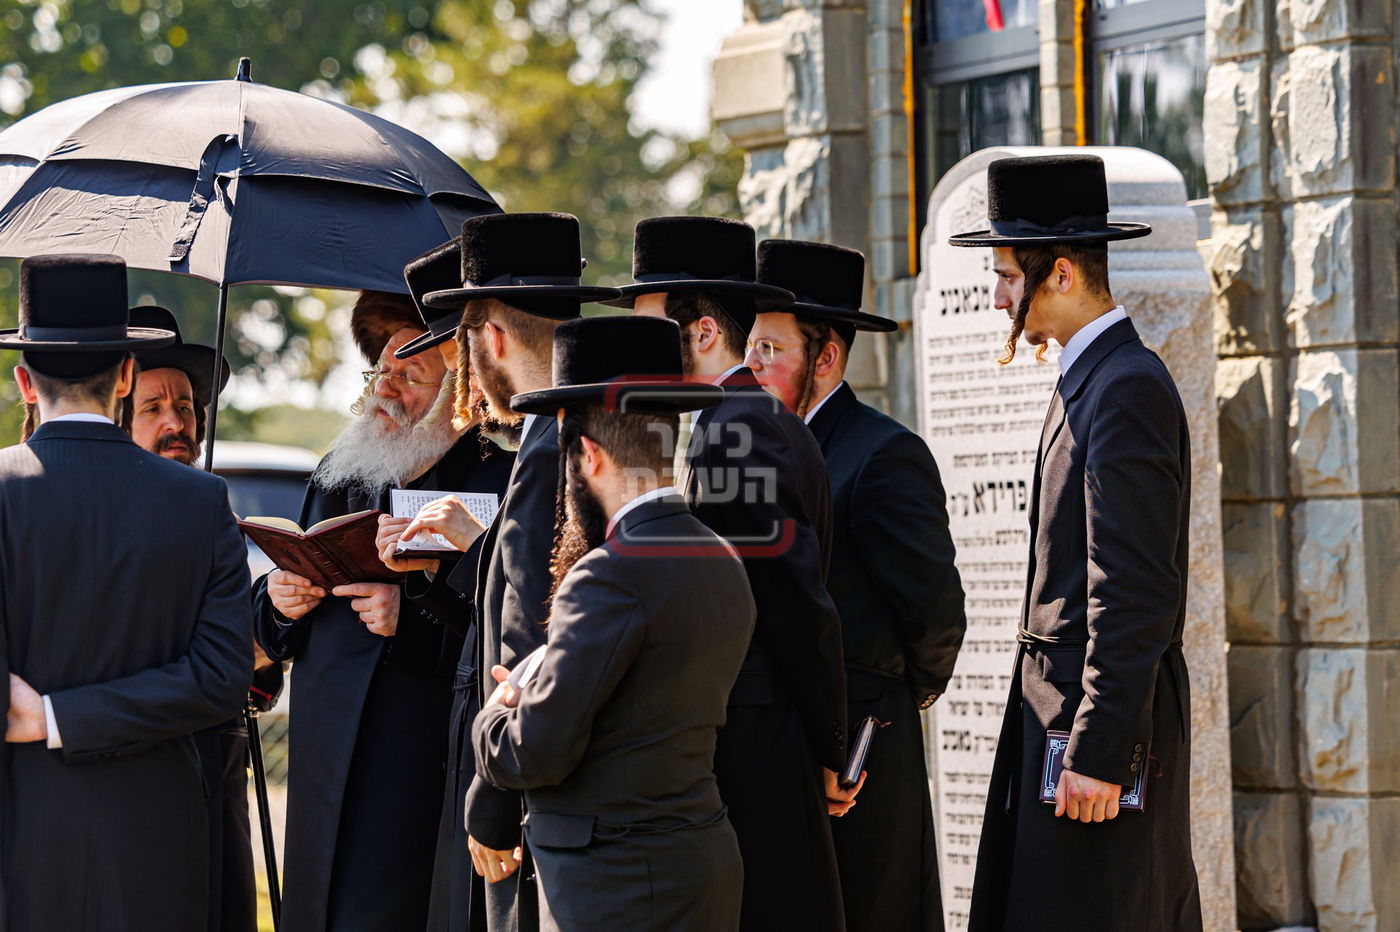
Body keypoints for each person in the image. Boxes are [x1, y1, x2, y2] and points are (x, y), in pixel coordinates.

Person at [948, 154, 1202, 931]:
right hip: (1060, 718)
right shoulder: (1089, 378)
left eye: (1006, 276)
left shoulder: (1125, 387)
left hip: (1089, 737)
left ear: (1059, 272)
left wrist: (1099, 749)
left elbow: (1134, 592)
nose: (998, 297)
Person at [466, 315, 749, 931]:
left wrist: (496, 711)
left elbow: (535, 751)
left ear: (587, 456)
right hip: (696, 861)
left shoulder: (608, 575)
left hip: (615, 885)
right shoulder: (721, 555)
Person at [611, 215, 854, 931]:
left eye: (652, 327)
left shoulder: (739, 431)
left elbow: (794, 601)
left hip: (758, 738)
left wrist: (830, 745)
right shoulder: (738, 420)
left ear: (705, 331)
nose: (637, 345)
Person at [381, 212, 621, 932]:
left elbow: (535, 644)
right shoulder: (582, 428)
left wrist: (496, 797)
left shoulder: (551, 443)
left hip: (523, 785)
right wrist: (471, 552)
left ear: (489, 337)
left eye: (461, 344)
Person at [251, 286, 515, 932]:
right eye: (380, 372)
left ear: (460, 391)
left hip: (418, 753)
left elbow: (513, 625)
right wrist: (279, 602)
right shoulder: (341, 472)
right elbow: (275, 625)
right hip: (323, 752)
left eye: (410, 375)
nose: (386, 389)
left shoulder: (495, 481)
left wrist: (411, 616)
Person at [0, 254, 252, 931]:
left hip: (19, 835)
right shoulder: (203, 502)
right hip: (157, 844)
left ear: (25, 382)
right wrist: (63, 716)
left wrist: (44, 714)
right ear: (125, 375)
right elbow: (221, 679)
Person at [749, 238, 967, 931]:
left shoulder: (883, 453)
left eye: (770, 350)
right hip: (781, 741)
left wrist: (885, 702)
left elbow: (935, 611)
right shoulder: (753, 451)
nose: (751, 366)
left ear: (826, 359)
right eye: (749, 347)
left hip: (863, 747)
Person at [124, 304, 263, 932]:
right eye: (152, 408)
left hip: (213, 771)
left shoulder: (216, 514)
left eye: (184, 406)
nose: (176, 423)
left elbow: (245, 663)